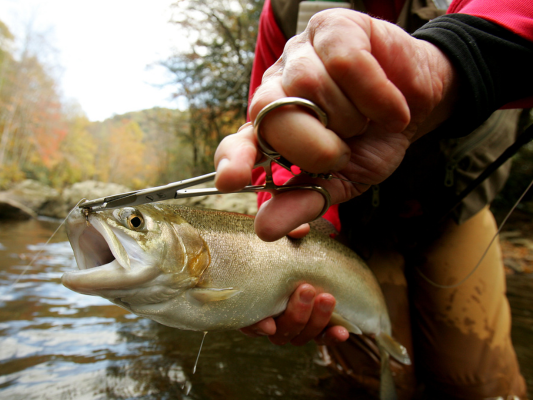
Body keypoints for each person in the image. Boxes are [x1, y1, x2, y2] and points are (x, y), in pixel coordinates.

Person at [214, 0, 533, 398]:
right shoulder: (283, 10)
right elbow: (271, 135)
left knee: (475, 384)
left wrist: (451, 57)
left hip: (456, 213)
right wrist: (305, 226)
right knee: (367, 382)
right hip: (348, 224)